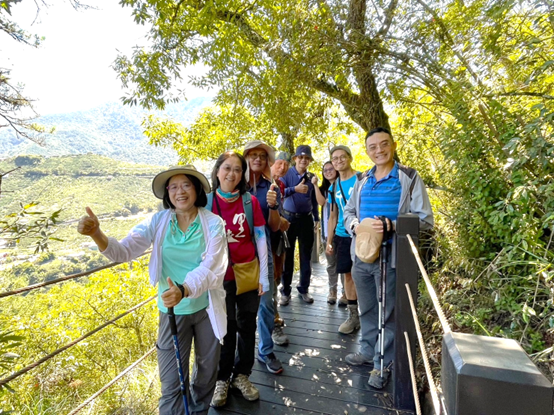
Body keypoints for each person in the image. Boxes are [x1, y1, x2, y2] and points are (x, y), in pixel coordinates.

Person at [77, 165, 228, 415]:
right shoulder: (157, 222)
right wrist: (97, 234)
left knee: (206, 375)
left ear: (197, 189)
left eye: (186, 185)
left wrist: (184, 288)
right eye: (173, 187)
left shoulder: (213, 223)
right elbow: (124, 250)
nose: (180, 192)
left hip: (205, 308)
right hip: (171, 313)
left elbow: (213, 265)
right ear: (167, 193)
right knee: (171, 384)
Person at [344, 127, 434, 389]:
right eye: (373, 147)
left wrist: (393, 224)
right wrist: (355, 226)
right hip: (361, 255)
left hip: (392, 257)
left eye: (384, 144)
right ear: (367, 150)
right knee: (368, 308)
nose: (379, 150)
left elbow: (425, 219)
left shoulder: (409, 177)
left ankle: (382, 365)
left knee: (388, 313)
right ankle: (368, 351)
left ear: (393, 145)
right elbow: (349, 212)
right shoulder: (362, 179)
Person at [208, 151, 270, 407]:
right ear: (218, 171)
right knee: (225, 328)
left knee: (247, 325)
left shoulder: (249, 202)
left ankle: (241, 375)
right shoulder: (208, 202)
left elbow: (261, 239)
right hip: (219, 277)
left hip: (247, 273)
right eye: (227, 168)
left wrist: (264, 277)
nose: (231, 174)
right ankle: (221, 378)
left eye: (237, 169)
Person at [243, 140, 288, 372]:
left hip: (264, 253)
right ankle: (237, 361)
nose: (258, 159)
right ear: (246, 158)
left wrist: (272, 207)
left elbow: (273, 226)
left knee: (267, 304)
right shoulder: (235, 183)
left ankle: (265, 351)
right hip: (237, 256)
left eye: (262, 155)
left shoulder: (271, 187)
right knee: (238, 308)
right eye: (253, 155)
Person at [326, 145, 361, 334]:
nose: (338, 161)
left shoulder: (361, 179)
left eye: (342, 157)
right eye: (334, 159)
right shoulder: (334, 186)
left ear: (349, 158)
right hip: (342, 235)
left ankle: (370, 314)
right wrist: (329, 240)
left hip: (360, 234)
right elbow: (333, 215)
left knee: (362, 274)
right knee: (347, 275)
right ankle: (353, 316)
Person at [280, 145, 320, 304]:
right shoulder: (286, 174)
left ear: (309, 161)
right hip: (288, 219)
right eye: (301, 157)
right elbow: (279, 193)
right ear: (295, 159)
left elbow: (315, 200)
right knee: (287, 256)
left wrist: (317, 219)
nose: (303, 160)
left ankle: (304, 289)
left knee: (306, 256)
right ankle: (285, 291)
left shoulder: (312, 177)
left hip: (306, 220)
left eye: (307, 158)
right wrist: (294, 189)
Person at [312, 161, 345, 306]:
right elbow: (321, 202)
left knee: (344, 265)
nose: (328, 171)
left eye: (331, 169)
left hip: (343, 232)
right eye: (325, 170)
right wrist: (314, 185)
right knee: (331, 264)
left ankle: (346, 293)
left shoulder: (344, 186)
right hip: (327, 232)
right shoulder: (323, 190)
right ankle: (333, 291)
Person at [269, 151, 291, 345]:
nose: (282, 167)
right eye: (279, 163)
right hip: (261, 241)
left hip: (277, 239)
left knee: (275, 279)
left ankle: (274, 320)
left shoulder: (281, 184)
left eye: (285, 164)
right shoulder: (261, 183)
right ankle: (272, 322)